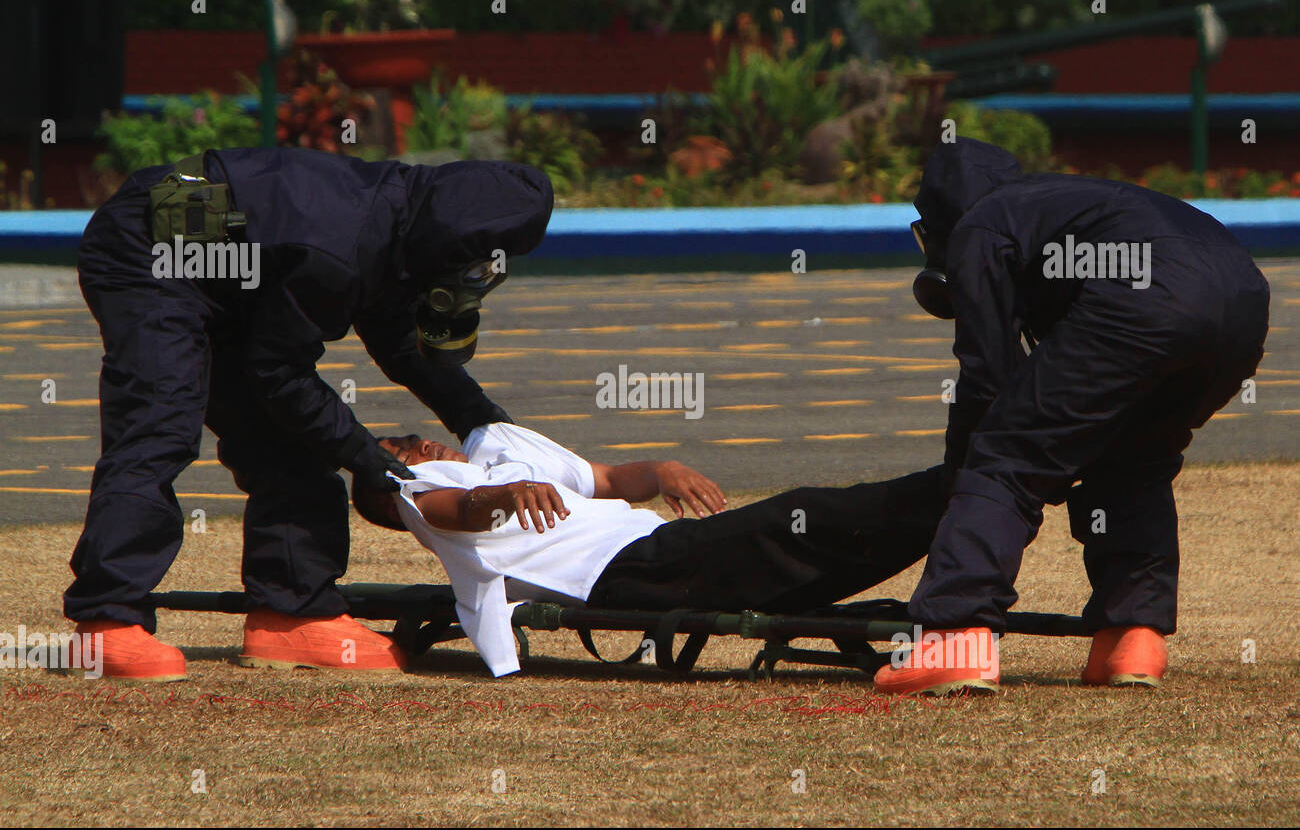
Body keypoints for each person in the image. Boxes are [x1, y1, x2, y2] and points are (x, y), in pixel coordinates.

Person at [64, 147, 553, 681]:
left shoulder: (407, 225)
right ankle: (104, 621)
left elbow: (398, 340)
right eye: (478, 261)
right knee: (162, 421)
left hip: (234, 255)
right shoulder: (341, 248)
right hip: (153, 242)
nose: (481, 275)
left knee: (290, 437)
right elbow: (278, 373)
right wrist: (368, 457)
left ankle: (291, 613)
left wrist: (483, 419)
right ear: (454, 240)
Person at [877, 137, 1270, 695]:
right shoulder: (1054, 202)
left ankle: (954, 636)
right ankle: (1131, 640)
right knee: (1135, 459)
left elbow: (986, 378)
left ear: (938, 216)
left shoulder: (979, 225)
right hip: (1244, 301)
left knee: (1007, 454)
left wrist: (961, 480)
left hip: (1150, 295)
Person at [350, 422, 947, 677]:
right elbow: (467, 511)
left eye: (411, 437)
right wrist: (504, 493)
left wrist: (660, 470)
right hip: (632, 572)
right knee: (807, 517)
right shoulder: (423, 501)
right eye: (406, 450)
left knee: (809, 534)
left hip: (659, 548)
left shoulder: (493, 467)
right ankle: (962, 491)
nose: (421, 442)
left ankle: (961, 496)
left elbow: (608, 480)